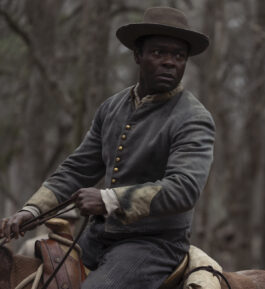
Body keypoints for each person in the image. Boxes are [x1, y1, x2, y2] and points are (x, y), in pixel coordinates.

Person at [0, 7, 215, 289]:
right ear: (138, 55)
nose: (170, 62)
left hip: (153, 246)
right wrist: (31, 211)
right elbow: (77, 169)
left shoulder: (193, 117)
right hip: (97, 238)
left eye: (178, 56)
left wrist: (108, 199)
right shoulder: (112, 107)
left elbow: (184, 188)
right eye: (159, 53)